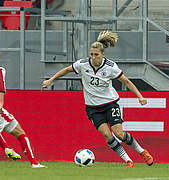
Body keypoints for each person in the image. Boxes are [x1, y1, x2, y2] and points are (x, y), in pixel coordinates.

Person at [42, 31, 154, 167]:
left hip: (110, 104)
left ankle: (142, 152)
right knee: (108, 135)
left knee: (119, 134)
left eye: (96, 55)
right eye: (91, 54)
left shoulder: (111, 67)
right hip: (92, 108)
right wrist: (51, 80)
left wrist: (140, 96)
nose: (93, 57)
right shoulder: (82, 64)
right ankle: (128, 160)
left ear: (103, 55)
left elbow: (127, 82)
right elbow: (66, 70)